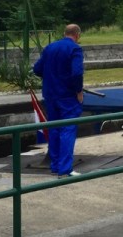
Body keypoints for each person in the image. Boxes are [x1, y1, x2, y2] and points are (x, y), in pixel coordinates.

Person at [33, 23, 84, 177]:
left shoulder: (50, 47)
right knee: (68, 129)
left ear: (64, 33)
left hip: (50, 95)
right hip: (67, 96)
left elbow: (37, 69)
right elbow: (76, 73)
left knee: (54, 128)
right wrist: (79, 91)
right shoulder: (75, 49)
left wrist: (51, 77)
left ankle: (55, 165)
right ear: (77, 35)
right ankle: (65, 168)